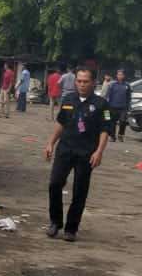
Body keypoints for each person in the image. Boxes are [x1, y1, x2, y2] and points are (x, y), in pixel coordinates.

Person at [44, 67, 112, 242]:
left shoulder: (101, 104)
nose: (81, 84)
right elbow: (61, 123)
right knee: (54, 183)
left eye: (85, 81)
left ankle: (71, 229)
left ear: (93, 83)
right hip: (65, 149)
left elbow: (105, 130)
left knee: (79, 191)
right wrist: (51, 143)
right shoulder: (68, 99)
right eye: (79, 81)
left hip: (86, 153)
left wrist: (99, 152)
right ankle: (55, 222)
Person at [106, 69, 132, 142]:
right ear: (116, 76)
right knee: (112, 122)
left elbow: (129, 97)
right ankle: (112, 136)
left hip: (123, 108)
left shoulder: (127, 85)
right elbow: (108, 96)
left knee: (123, 121)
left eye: (121, 74)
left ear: (124, 76)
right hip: (113, 106)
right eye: (118, 74)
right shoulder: (112, 85)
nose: (120, 76)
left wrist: (129, 107)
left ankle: (120, 135)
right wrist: (107, 106)